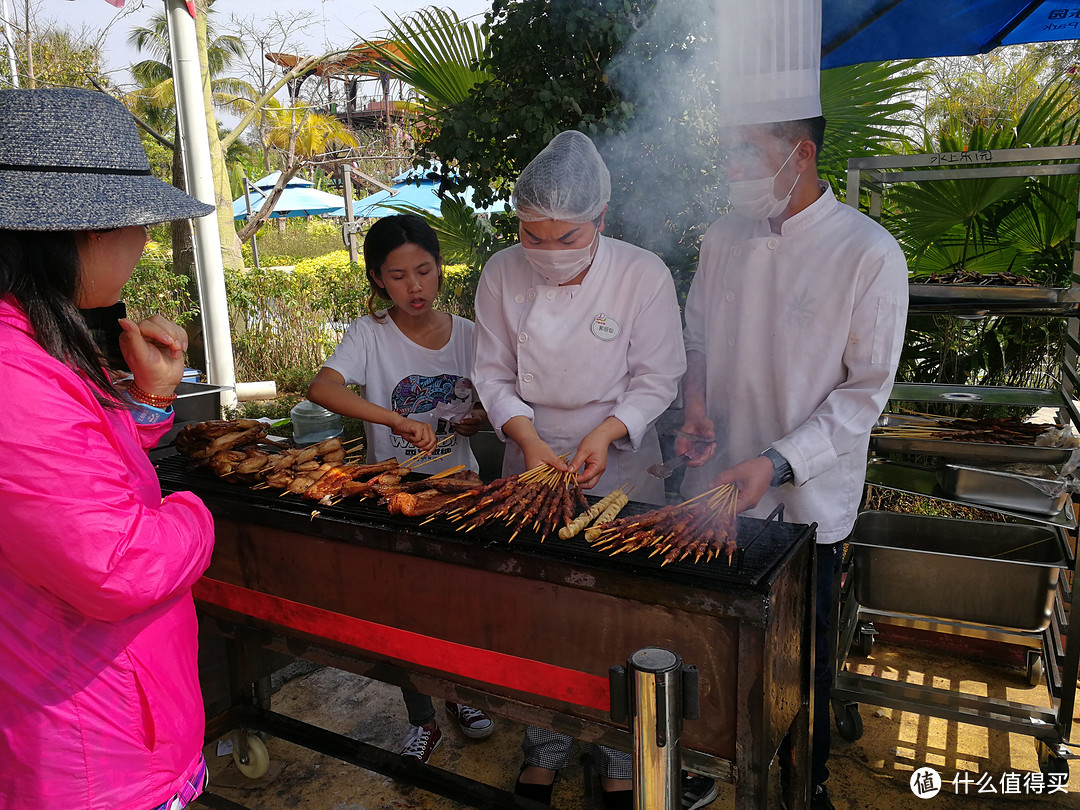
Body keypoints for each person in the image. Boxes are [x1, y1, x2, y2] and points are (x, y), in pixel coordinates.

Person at [676, 115, 908, 810]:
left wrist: (776, 463)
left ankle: (804, 784)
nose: (729, 170)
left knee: (801, 660)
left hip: (805, 500)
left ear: (800, 153)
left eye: (746, 153)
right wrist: (694, 409)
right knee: (709, 641)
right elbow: (697, 340)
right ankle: (702, 761)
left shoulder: (869, 252)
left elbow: (864, 394)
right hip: (716, 487)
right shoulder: (723, 237)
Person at [0, 88, 217, 809]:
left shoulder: (32, 343)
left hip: (102, 727)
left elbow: (68, 479)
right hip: (91, 760)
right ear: (84, 231)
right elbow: (115, 565)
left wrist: (149, 405)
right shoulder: (11, 372)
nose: (145, 243)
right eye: (139, 226)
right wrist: (195, 511)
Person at [472, 130, 686, 809]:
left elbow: (660, 377)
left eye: (566, 239)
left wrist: (609, 429)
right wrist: (531, 442)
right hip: (528, 450)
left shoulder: (641, 273)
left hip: (619, 457)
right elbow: (491, 374)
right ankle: (544, 746)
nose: (548, 253)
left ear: (601, 222)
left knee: (618, 610)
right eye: (534, 236)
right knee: (540, 606)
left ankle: (620, 756)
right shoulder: (501, 272)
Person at [306, 214, 493, 764]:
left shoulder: (472, 337)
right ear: (377, 279)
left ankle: (462, 697)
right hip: (392, 495)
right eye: (398, 275)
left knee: (461, 604)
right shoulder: (369, 336)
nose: (415, 287)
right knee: (402, 610)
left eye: (424, 271)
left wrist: (476, 419)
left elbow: (494, 402)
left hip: (460, 490)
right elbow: (322, 387)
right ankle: (423, 719)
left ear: (439, 270)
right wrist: (391, 419)